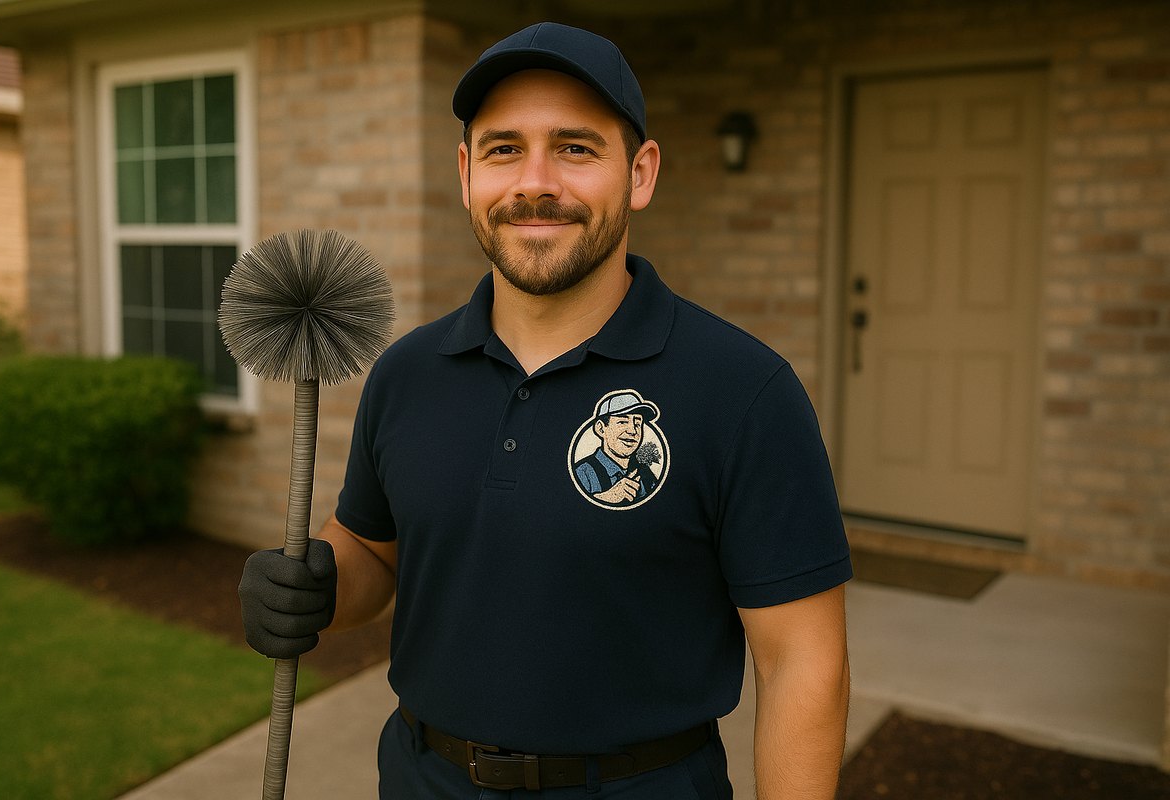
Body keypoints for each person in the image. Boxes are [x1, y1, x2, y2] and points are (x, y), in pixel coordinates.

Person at [239, 21, 852, 799]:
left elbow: (803, 661)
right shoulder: (407, 373)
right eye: (503, 149)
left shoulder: (743, 390)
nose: (536, 182)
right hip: (421, 780)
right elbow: (374, 551)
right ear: (466, 174)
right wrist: (317, 585)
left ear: (640, 172)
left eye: (575, 148)